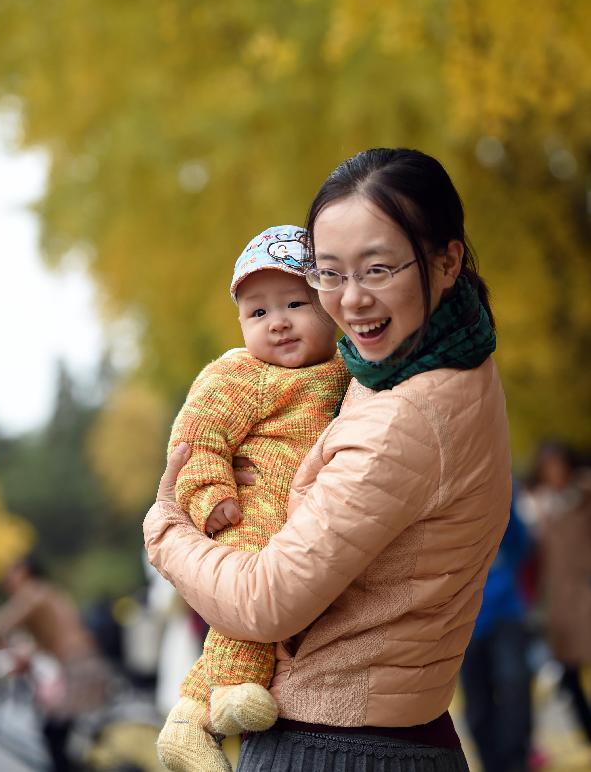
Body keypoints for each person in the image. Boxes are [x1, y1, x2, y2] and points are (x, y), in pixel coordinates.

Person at [145, 147, 512, 772]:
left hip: (338, 745)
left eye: (377, 269)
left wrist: (166, 529)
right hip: (396, 733)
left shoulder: (408, 415)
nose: (351, 301)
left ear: (447, 261)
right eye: (330, 274)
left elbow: (266, 601)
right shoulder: (425, 359)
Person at [157, 225, 350, 772]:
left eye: (295, 303)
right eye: (258, 313)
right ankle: (235, 687)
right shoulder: (241, 373)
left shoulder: (346, 371)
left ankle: (188, 721)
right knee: (253, 595)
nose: (279, 322)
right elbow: (196, 438)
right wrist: (209, 494)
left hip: (306, 513)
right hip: (249, 507)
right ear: (242, 324)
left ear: (329, 306)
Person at [0, 555, 109, 772]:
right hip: (86, 664)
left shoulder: (32, 593)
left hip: (79, 669)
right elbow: (54, 636)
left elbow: (1, 626)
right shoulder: (49, 592)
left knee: (56, 734)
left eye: (12, 572)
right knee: (60, 734)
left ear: (24, 572)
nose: (7, 579)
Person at [460, 497, 532, 772]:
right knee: (477, 701)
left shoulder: (499, 486)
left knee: (515, 684)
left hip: (505, 610)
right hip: (465, 617)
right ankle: (493, 764)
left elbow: (520, 542)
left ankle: (517, 761)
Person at [527, 441, 591, 745]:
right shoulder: (539, 508)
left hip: (585, 592)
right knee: (568, 674)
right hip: (560, 604)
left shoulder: (584, 497)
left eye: (559, 465)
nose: (555, 472)